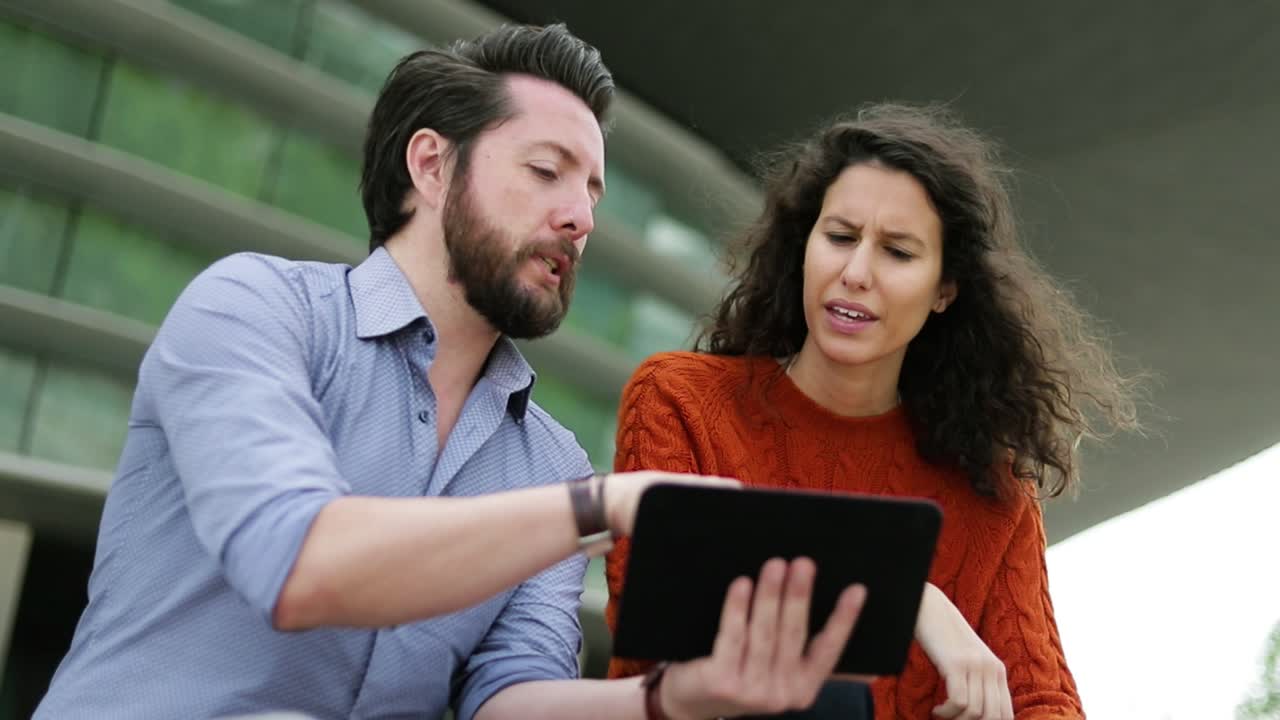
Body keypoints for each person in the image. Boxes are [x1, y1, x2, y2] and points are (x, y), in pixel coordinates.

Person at [34, 24, 869, 720]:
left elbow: (507, 699)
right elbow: (295, 564)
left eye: (593, 192)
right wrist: (606, 507)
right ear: (431, 166)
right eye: (546, 172)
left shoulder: (549, 465)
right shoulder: (253, 308)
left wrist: (672, 699)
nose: (580, 217)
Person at [605, 104, 1143, 720]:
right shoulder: (680, 398)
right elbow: (658, 621)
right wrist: (905, 597)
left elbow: (1044, 703)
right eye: (839, 237)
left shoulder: (992, 494)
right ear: (802, 247)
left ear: (945, 290)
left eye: (898, 252)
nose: (855, 273)